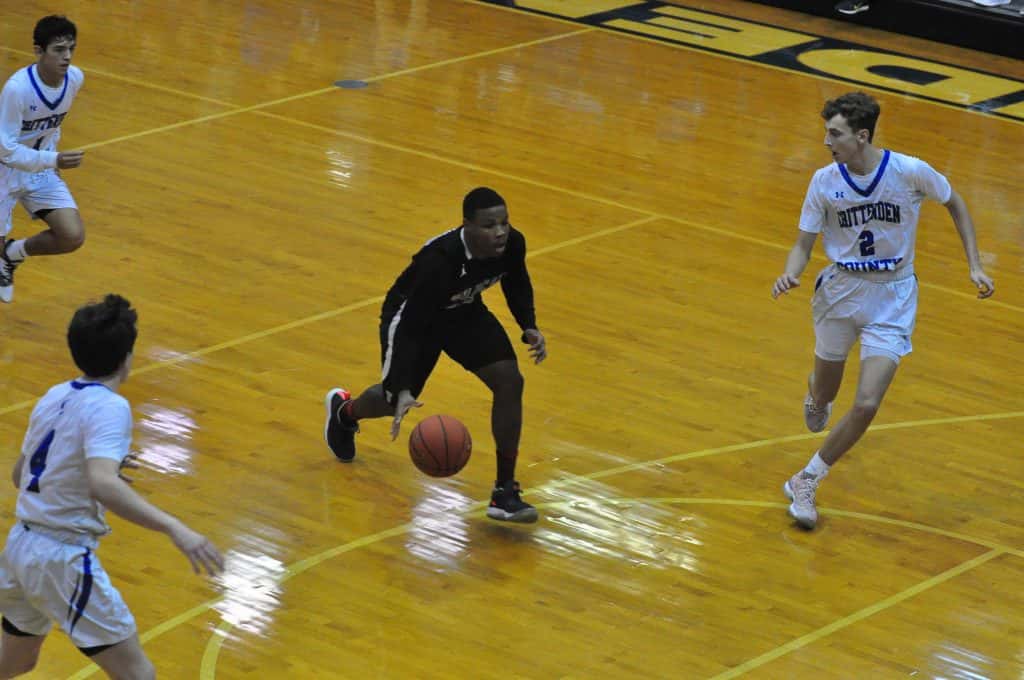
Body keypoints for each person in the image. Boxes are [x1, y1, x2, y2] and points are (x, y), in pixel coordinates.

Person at [771, 92, 994, 530]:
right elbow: (803, 245)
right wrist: (790, 274)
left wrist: (975, 264)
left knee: (868, 402)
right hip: (841, 292)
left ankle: (807, 478)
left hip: (894, 296)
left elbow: (955, 202)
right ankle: (816, 393)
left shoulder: (909, 171)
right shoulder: (823, 181)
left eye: (834, 133)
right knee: (825, 397)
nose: (826, 141)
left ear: (861, 136)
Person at [0, 294, 224, 679]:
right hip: (61, 558)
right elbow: (102, 484)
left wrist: (81, 470)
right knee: (138, 674)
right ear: (127, 357)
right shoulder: (110, 407)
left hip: (20, 547)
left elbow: (21, 475)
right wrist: (175, 528)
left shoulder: (55, 395)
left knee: (15, 662)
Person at [323, 187, 547, 523]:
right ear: (467, 226)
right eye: (489, 225)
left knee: (510, 381)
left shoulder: (513, 243)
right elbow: (410, 327)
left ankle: (504, 492)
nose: (500, 232)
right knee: (392, 400)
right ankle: (345, 412)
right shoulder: (440, 261)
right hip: (413, 318)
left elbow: (516, 281)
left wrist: (528, 325)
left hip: (462, 311)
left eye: (504, 222)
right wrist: (401, 388)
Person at [0, 15, 87, 303]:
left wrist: (52, 156)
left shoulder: (75, 79)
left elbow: (53, 123)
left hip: (39, 168)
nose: (67, 57)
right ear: (38, 51)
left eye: (71, 49)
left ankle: (11, 254)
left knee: (72, 235)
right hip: (4, 170)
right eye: (58, 50)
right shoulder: (17, 89)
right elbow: (6, 150)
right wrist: (54, 160)